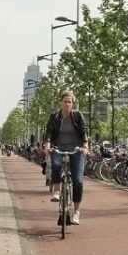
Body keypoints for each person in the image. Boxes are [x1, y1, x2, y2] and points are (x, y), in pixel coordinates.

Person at [44, 90, 88, 225]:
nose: (67, 104)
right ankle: (57, 192)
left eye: (70, 102)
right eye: (65, 102)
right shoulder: (55, 117)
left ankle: (76, 212)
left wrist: (85, 146)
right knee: (56, 165)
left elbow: (84, 131)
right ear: (60, 103)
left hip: (76, 150)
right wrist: (47, 145)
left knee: (78, 181)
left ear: (72, 104)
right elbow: (49, 132)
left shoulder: (78, 116)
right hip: (58, 148)